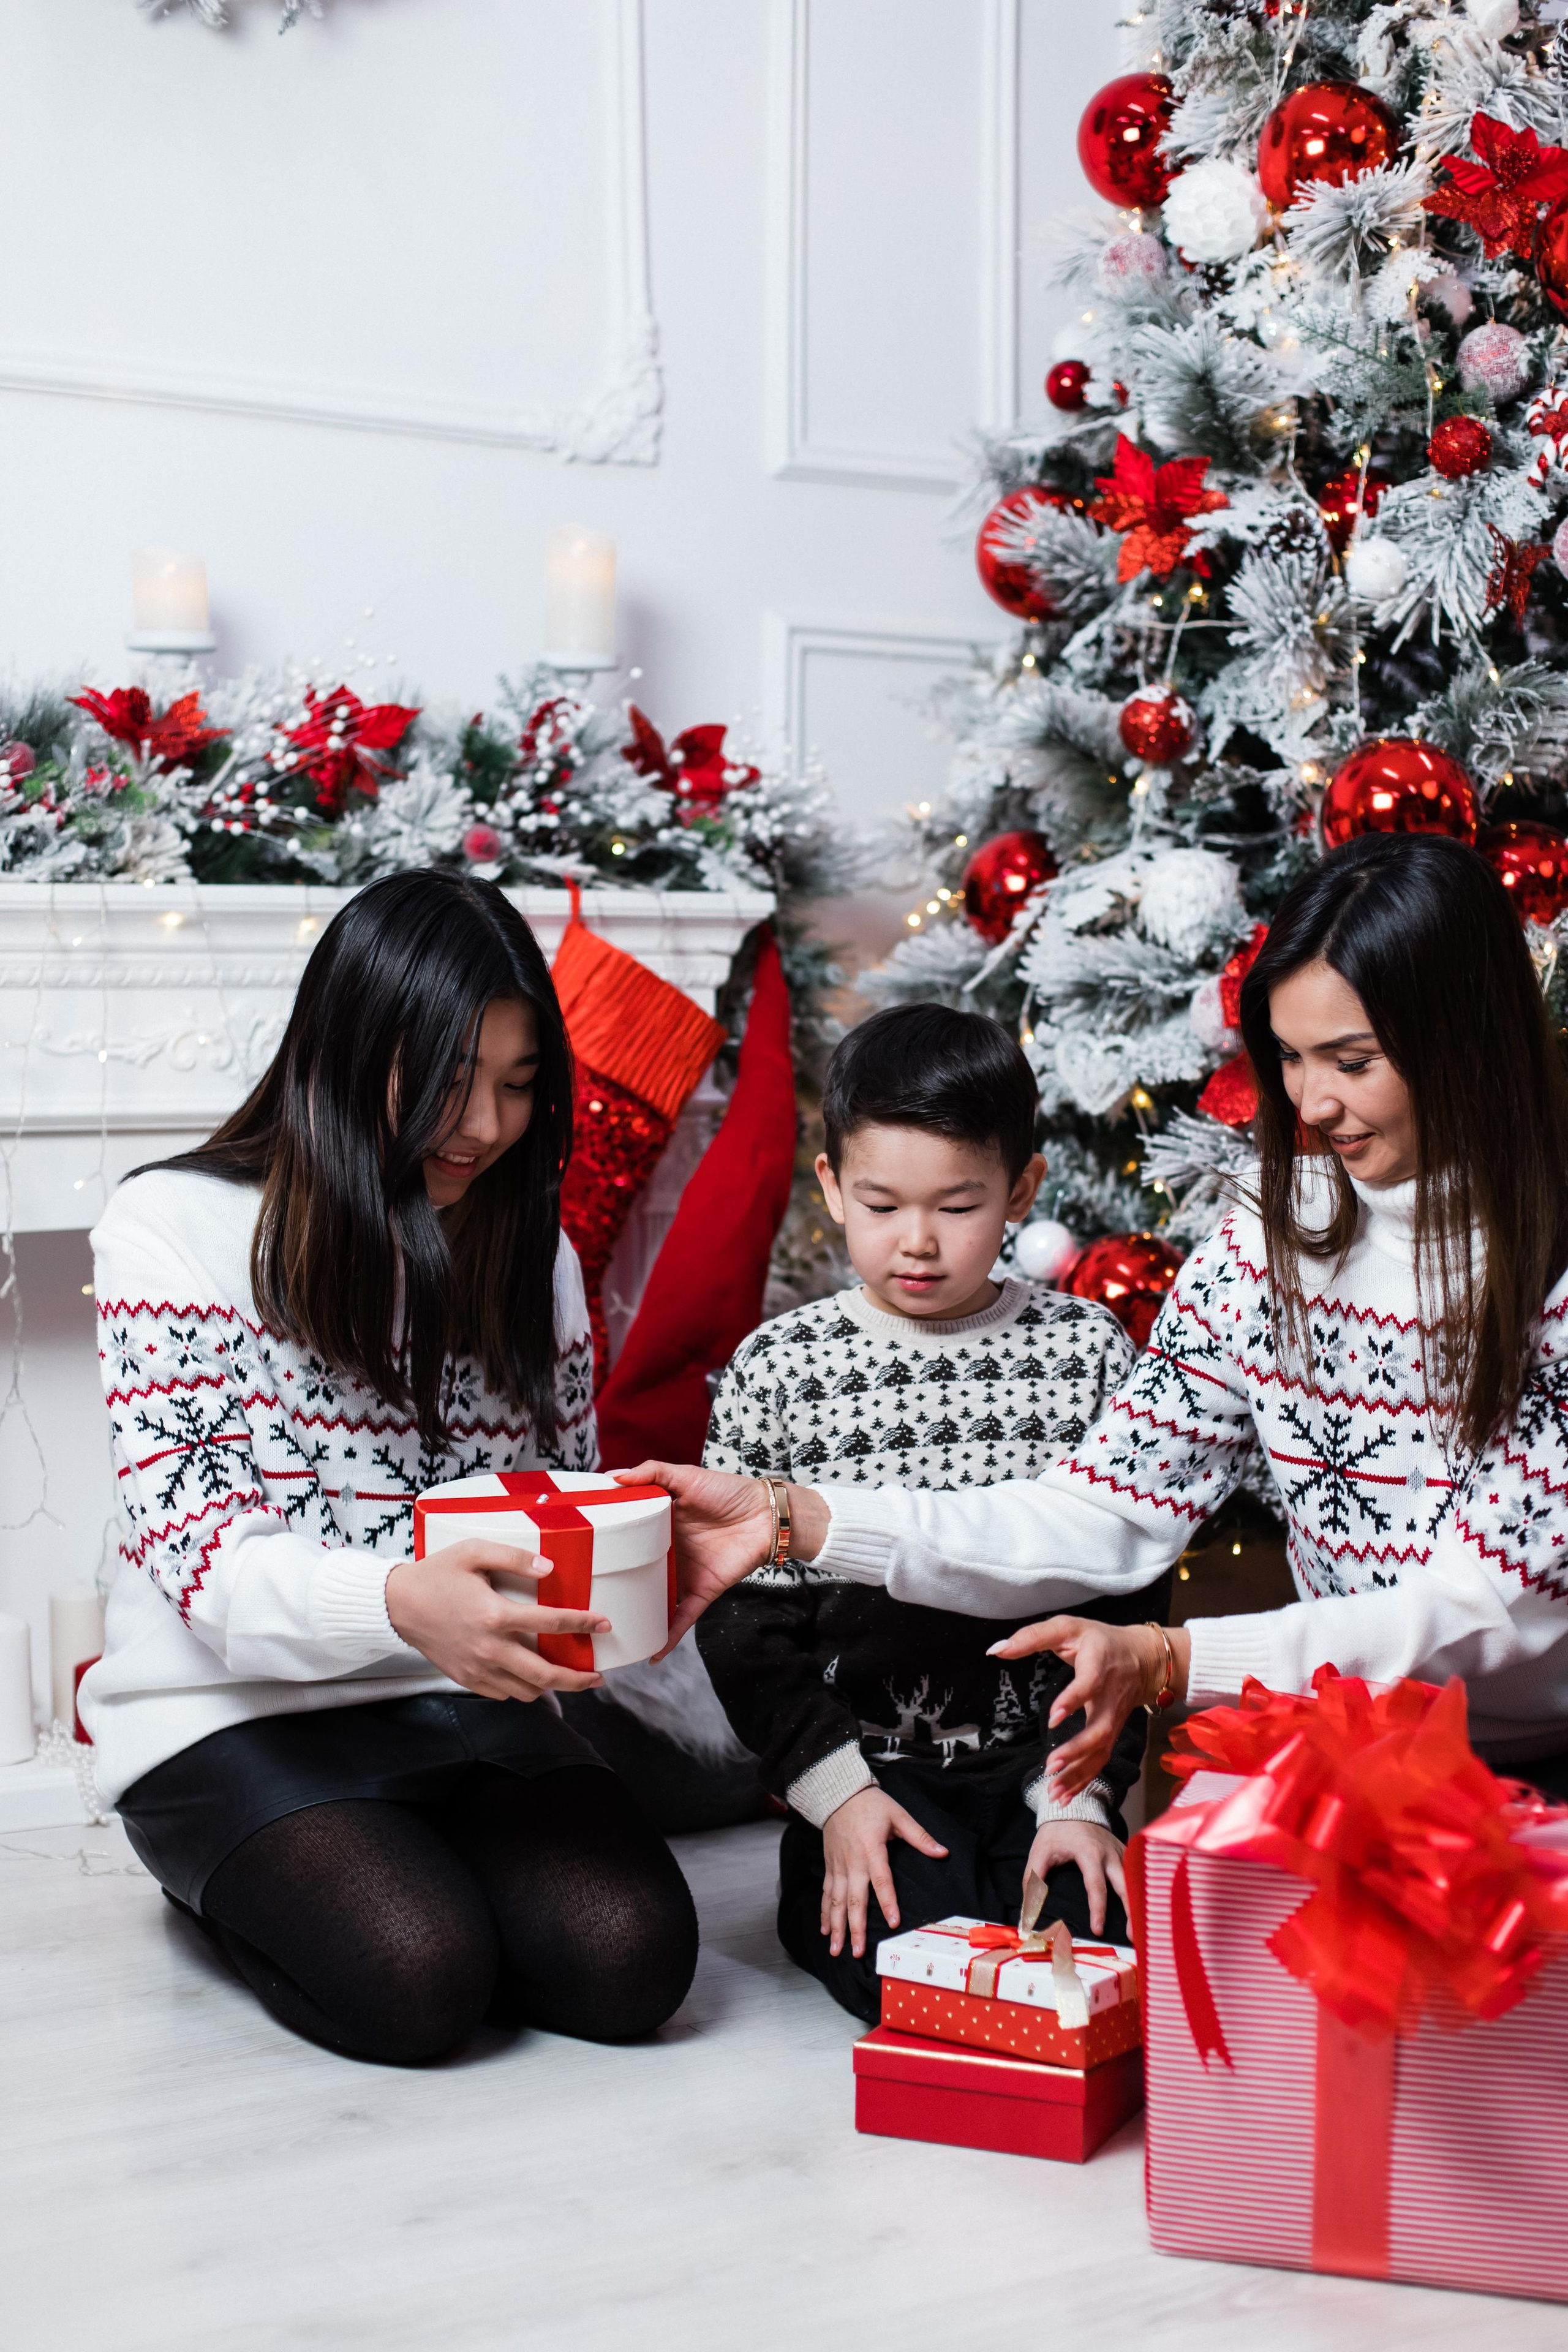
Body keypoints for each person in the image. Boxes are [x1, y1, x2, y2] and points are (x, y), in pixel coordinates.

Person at [636, 834, 1568, 1800]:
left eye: (1353, 1060)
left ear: (1463, 1037)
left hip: (1536, 1758)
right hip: (1361, 1741)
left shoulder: (1552, 1276)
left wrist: (1167, 1658)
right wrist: (805, 1518)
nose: (1314, 1100)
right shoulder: (1263, 1245)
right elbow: (1101, 1511)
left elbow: (1481, 1611)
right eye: (1290, 1058)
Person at [81, 870, 698, 2066]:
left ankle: (409, 1857)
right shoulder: (169, 1228)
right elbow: (205, 1559)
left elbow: (552, 1503)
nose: (484, 1127)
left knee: (633, 1963)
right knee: (417, 1977)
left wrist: (623, 1579)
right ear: (350, 1048)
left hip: (462, 1703)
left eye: (519, 1087)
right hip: (228, 1709)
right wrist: (399, 1605)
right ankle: (223, 1877)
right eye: (450, 1080)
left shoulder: (535, 1254)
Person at [693, 1005, 1158, 2022]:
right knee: (918, 1965)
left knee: (1096, 1965)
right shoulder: (782, 1370)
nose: (917, 1243)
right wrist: (839, 1798)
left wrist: (1085, 1799)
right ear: (831, 1190)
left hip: (1044, 1768)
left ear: (1021, 1191)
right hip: (875, 1779)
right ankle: (840, 1858)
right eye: (880, 1204)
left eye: (957, 1206)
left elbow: (1129, 1602)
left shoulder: (1085, 1352)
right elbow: (741, 1623)